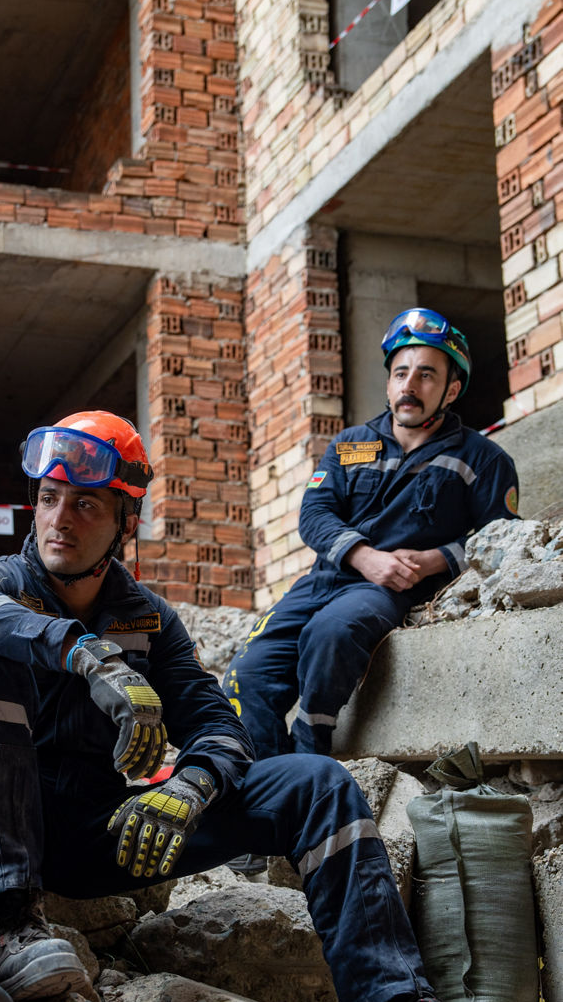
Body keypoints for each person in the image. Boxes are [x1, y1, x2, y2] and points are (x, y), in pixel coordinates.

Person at [0, 409, 563, 1002]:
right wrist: (86, 655)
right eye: (47, 498)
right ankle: (9, 925)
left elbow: (219, 725)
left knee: (316, 784)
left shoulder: (149, 620)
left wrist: (189, 788)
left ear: (124, 520)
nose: (58, 519)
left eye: (85, 504)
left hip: (106, 836)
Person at [223, 307, 520, 758]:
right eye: (400, 373)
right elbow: (315, 513)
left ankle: (310, 754)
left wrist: (435, 560)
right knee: (248, 674)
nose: (409, 385)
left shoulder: (482, 460)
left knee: (330, 635)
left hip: (388, 592)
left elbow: (503, 540)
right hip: (324, 580)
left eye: (425, 375)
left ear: (451, 389)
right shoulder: (350, 444)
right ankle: (266, 780)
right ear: (388, 382)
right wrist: (365, 556)